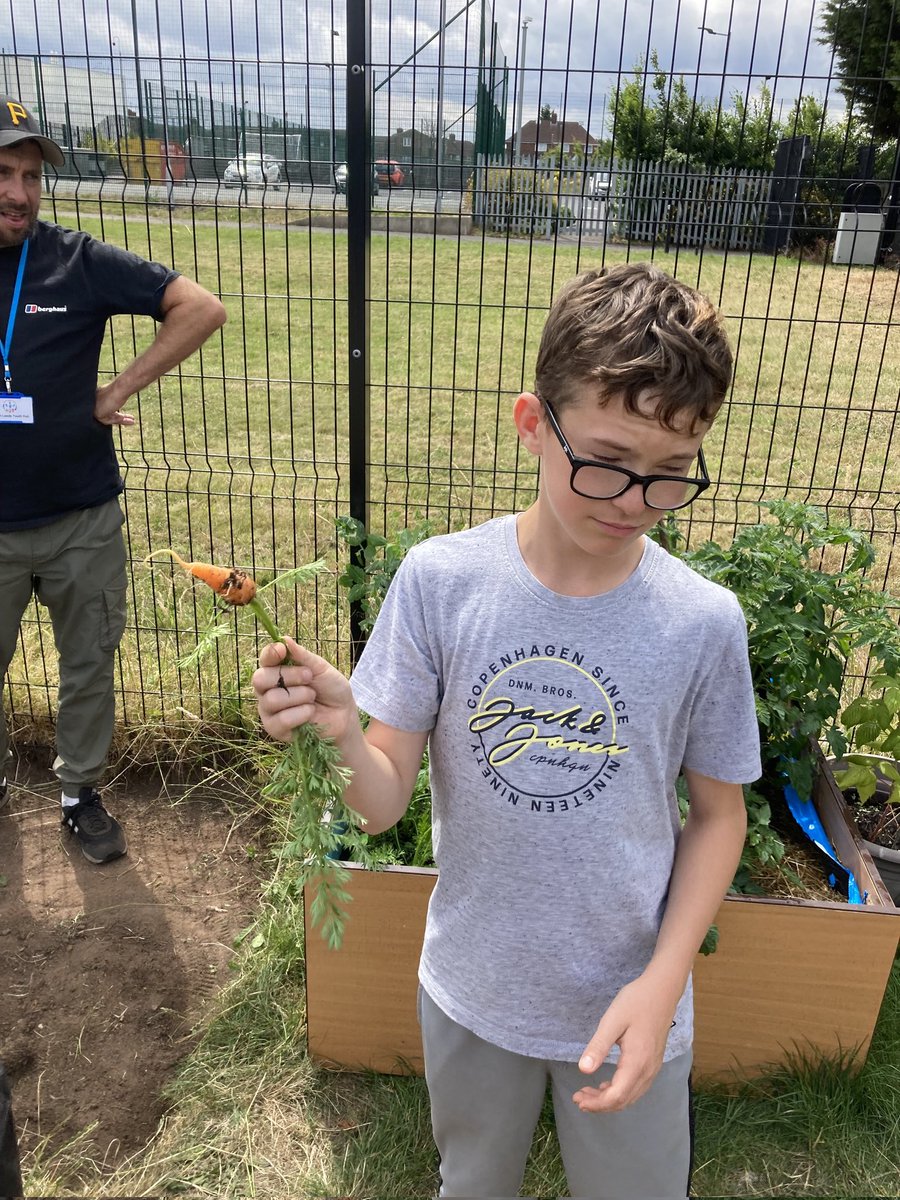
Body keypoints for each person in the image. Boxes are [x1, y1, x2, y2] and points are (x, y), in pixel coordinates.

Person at [253, 262, 762, 1199]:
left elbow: (718, 818)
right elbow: (379, 803)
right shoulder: (442, 582)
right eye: (606, 459)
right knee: (473, 1181)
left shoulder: (701, 621)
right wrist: (335, 731)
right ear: (533, 422)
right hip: (473, 986)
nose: (632, 500)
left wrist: (664, 984)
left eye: (670, 475)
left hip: (632, 999)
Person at [0, 96, 226, 864]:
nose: (20, 192)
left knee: (89, 662)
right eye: (3, 172)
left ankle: (79, 796)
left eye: (31, 175)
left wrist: (119, 389)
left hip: (81, 520)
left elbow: (199, 307)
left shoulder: (76, 260)